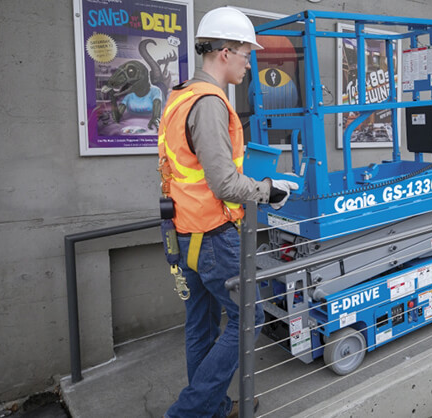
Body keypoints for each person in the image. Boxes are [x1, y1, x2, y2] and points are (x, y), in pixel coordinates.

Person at [157, 7, 297, 418]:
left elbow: (193, 171)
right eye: (246, 53)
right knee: (248, 317)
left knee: (201, 325)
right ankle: (189, 412)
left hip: (183, 231)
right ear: (224, 52)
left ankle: (212, 408)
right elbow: (224, 184)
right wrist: (269, 191)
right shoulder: (210, 103)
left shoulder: (180, 96)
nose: (249, 63)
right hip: (213, 237)